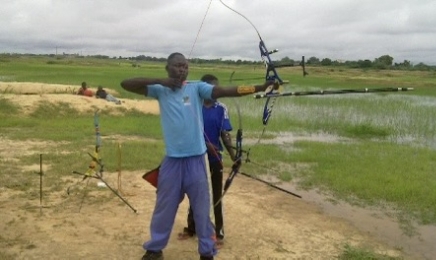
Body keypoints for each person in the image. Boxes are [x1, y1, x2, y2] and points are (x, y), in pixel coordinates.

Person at [120, 52, 276, 260]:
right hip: (172, 162)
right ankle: (155, 249)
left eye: (185, 66)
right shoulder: (160, 90)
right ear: (167, 68)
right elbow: (125, 84)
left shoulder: (196, 88)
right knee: (164, 206)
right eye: (177, 66)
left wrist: (259, 87)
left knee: (202, 209)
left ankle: (206, 251)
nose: (182, 69)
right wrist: (161, 81)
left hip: (196, 161)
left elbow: (222, 90)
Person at [177, 74, 235, 248]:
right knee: (195, 192)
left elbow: (225, 134)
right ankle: (192, 227)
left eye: (217, 89)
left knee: (216, 194)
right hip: (195, 157)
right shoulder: (191, 103)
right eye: (212, 89)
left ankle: (218, 232)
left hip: (215, 158)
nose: (216, 92)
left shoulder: (221, 108)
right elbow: (184, 127)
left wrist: (233, 154)